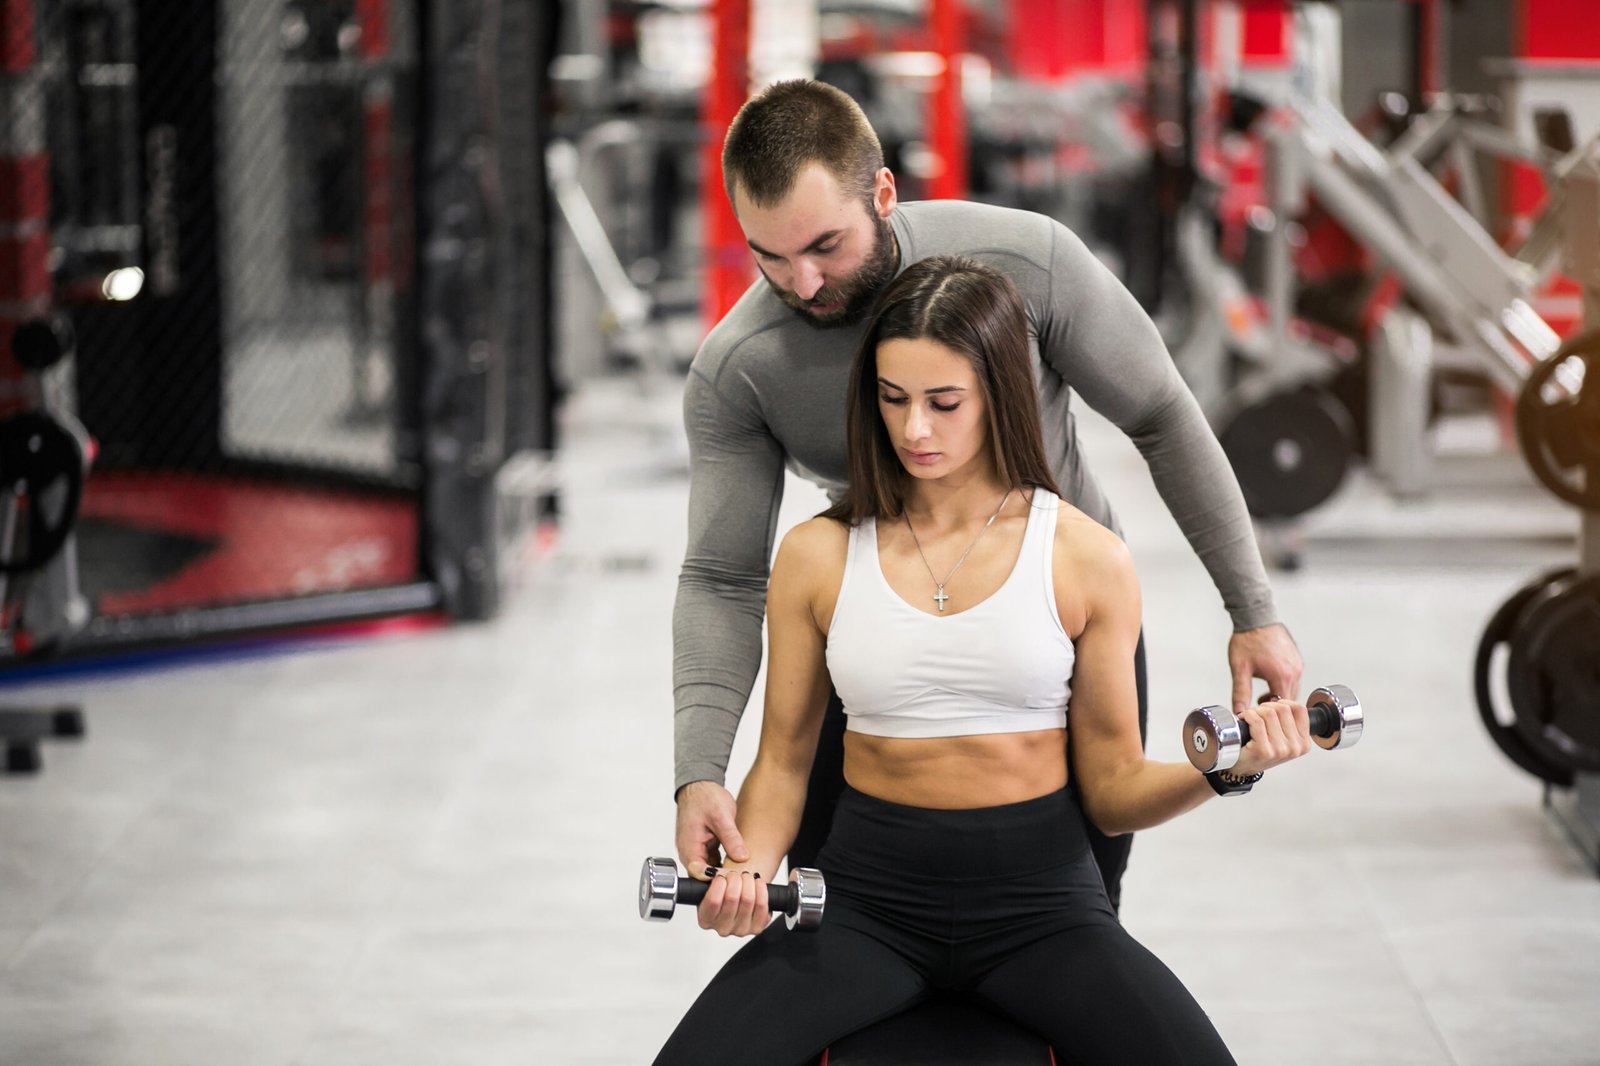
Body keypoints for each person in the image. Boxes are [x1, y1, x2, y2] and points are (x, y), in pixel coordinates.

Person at [654, 257, 1313, 1065]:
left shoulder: (1085, 557)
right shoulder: (818, 555)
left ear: (1000, 395)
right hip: (866, 907)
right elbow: (785, 763)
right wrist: (746, 871)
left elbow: (1111, 792)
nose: (915, 430)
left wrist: (1225, 768)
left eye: (944, 402)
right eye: (893, 399)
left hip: (1045, 912)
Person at [675, 79, 1303, 911]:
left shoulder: (1028, 263)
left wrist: (1252, 609)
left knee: (1070, 913)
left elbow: (1159, 415)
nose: (803, 281)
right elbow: (722, 576)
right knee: (837, 919)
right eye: (769, 254)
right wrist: (699, 771)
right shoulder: (739, 369)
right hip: (880, 647)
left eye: (825, 244)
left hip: (1058, 633)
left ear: (885, 194)